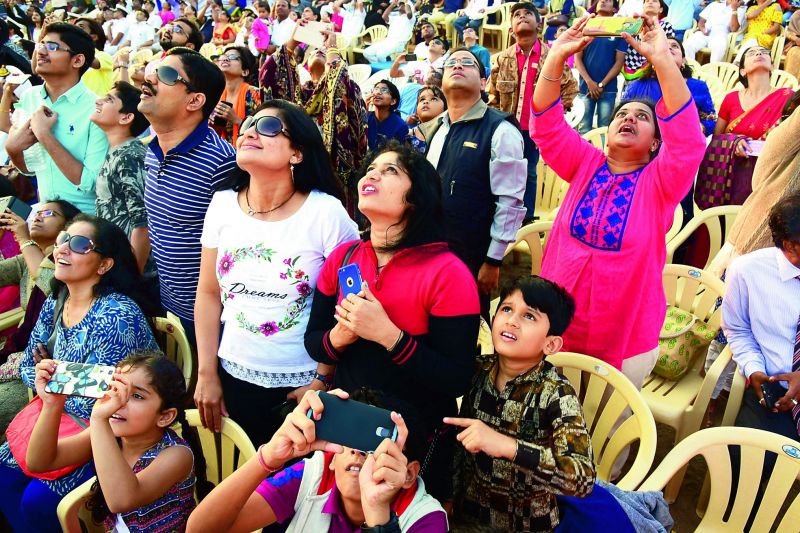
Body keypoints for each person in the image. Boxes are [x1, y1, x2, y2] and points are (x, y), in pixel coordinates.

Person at [529, 16, 706, 379]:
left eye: (642, 117)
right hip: (558, 322)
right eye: (622, 113)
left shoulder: (661, 181)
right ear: (607, 131)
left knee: (603, 430)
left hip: (624, 337)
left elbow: (688, 143)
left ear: (656, 142)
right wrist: (557, 56)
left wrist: (662, 61)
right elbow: (545, 124)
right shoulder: (585, 163)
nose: (629, 118)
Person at [304, 142, 480, 499]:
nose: (372, 174)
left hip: (413, 436)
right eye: (372, 168)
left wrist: (391, 337)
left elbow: (456, 377)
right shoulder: (345, 256)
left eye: (391, 171)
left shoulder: (447, 272)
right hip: (347, 423)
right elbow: (313, 339)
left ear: (415, 199)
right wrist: (339, 338)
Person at [194, 101, 358, 444]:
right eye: (249, 123)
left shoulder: (327, 214)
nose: (250, 130)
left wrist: (321, 381)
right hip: (232, 374)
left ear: (297, 153)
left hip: (304, 382)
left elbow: (351, 306)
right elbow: (209, 294)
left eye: (268, 126)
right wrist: (206, 372)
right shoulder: (222, 203)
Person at [0, 215, 158, 532]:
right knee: (3, 476)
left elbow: (114, 394)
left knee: (37, 503)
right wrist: (54, 379)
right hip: (59, 419)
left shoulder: (116, 314)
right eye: (62, 240)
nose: (62, 249)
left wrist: (53, 377)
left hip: (109, 433)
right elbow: (32, 366)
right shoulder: (57, 302)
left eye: (80, 244)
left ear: (104, 265)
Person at [187, 388, 448, 532]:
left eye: (377, 446)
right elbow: (201, 530)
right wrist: (267, 459)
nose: (358, 452)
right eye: (350, 438)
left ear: (409, 475)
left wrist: (377, 512)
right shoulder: (315, 474)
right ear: (331, 458)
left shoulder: (426, 519)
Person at [448, 276, 595, 530]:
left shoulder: (557, 393)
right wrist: (449, 496)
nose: (512, 320)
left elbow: (582, 478)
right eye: (506, 309)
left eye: (529, 316)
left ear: (550, 343)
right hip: (468, 518)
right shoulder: (477, 372)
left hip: (529, 526)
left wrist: (509, 447)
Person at [26, 353, 197, 531]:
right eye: (116, 389)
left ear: (165, 416)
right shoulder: (109, 432)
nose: (119, 401)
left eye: (137, 396)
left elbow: (121, 501)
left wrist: (98, 420)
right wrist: (52, 404)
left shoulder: (177, 455)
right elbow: (40, 461)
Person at [139, 47, 237, 343]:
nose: (150, 79)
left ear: (195, 101)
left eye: (166, 75)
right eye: (153, 69)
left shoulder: (221, 163)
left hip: (212, 319)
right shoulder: (152, 151)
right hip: (169, 307)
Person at [422, 48, 526, 317]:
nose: (457, 66)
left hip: (471, 255)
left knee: (463, 325)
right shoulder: (438, 127)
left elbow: (510, 202)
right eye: (451, 64)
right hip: (429, 247)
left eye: (467, 63)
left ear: (483, 82)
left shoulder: (501, 129)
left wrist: (493, 260)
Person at [5, 23, 109, 215]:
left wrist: (45, 135)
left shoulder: (97, 109)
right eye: (41, 45)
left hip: (83, 219)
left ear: (77, 61)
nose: (42, 52)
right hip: (45, 213)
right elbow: (31, 168)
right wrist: (13, 150)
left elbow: (90, 183)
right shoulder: (30, 97)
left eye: (52, 47)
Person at [487, 2, 577, 222]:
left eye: (528, 13)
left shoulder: (553, 57)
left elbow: (570, 89)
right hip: (507, 128)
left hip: (534, 130)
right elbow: (493, 97)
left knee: (530, 173)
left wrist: (551, 121)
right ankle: (500, 217)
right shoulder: (500, 59)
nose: (522, 16)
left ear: (540, 24)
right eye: (517, 15)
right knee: (501, 171)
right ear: (511, 28)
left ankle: (525, 220)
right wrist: (495, 125)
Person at [259, 33, 368, 214]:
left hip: (334, 171)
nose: (319, 51)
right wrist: (295, 39)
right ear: (306, 66)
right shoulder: (297, 95)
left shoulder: (349, 85)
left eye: (324, 52)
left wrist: (333, 48)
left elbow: (340, 83)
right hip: (297, 169)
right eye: (314, 51)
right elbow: (270, 77)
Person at [724, 193, 800, 443]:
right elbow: (737, 330)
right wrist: (754, 369)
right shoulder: (748, 271)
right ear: (790, 247)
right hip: (776, 392)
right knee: (742, 462)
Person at [0, 200, 81, 379]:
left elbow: (50, 285)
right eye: (37, 213)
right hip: (19, 349)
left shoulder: (70, 261)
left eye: (48, 214)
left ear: (68, 227)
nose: (38, 217)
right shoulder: (26, 260)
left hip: (45, 360)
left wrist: (24, 239)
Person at [713, 46, 794, 205]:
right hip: (732, 173)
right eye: (752, 53)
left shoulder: (786, 97)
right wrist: (734, 142)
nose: (759, 53)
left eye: (765, 52)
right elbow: (717, 138)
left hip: (771, 172)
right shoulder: (731, 99)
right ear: (742, 70)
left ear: (772, 66)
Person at [91, 81, 152, 274]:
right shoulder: (119, 151)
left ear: (126, 117)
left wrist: (133, 276)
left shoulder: (130, 155)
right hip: (116, 259)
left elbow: (143, 222)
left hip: (131, 267)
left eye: (109, 99)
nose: (99, 101)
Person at [624, 36, 716, 136]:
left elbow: (710, 119)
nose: (669, 48)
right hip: (644, 145)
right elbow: (621, 117)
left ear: (684, 60)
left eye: (674, 46)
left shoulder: (698, 87)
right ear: (652, 59)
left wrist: (700, 128)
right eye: (663, 47)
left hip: (683, 145)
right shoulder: (637, 87)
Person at [575, 0, 627, 133]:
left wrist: (601, 85)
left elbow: (618, 63)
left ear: (615, 9)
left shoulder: (618, 28)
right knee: (583, 129)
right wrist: (589, 82)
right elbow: (577, 59)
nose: (603, 1)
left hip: (608, 89)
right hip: (585, 87)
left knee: (604, 129)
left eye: (608, 0)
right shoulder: (586, 26)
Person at [211, 46, 262, 145]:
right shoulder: (216, 95)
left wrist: (236, 119)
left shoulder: (255, 94)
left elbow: (264, 130)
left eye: (233, 57)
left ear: (245, 72)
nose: (225, 59)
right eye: (223, 56)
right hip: (224, 151)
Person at [622, 0, 675, 81]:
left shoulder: (666, 26)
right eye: (647, 1)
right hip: (630, 69)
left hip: (654, 69)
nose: (650, 2)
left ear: (661, 9)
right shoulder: (633, 25)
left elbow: (668, 49)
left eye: (654, 1)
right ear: (643, 7)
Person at [75, 17, 114, 97]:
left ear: (94, 37)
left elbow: (92, 62)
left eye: (80, 27)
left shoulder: (103, 56)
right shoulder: (70, 56)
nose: (75, 30)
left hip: (98, 106)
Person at [367, 80, 409, 152]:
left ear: (393, 101)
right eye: (376, 89)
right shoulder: (366, 117)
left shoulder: (400, 126)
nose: (378, 92)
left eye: (384, 90)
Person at [407, 85, 447, 152]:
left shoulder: (448, 135)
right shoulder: (407, 135)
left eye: (434, 99)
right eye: (422, 99)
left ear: (445, 108)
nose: (425, 102)